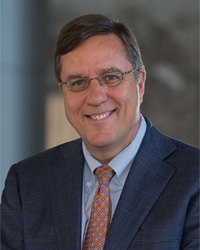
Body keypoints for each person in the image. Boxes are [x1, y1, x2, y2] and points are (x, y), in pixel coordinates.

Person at [1, 14, 199, 250]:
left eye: (111, 77)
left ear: (140, 83)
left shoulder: (194, 178)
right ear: (63, 91)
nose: (95, 97)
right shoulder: (26, 182)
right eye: (78, 82)